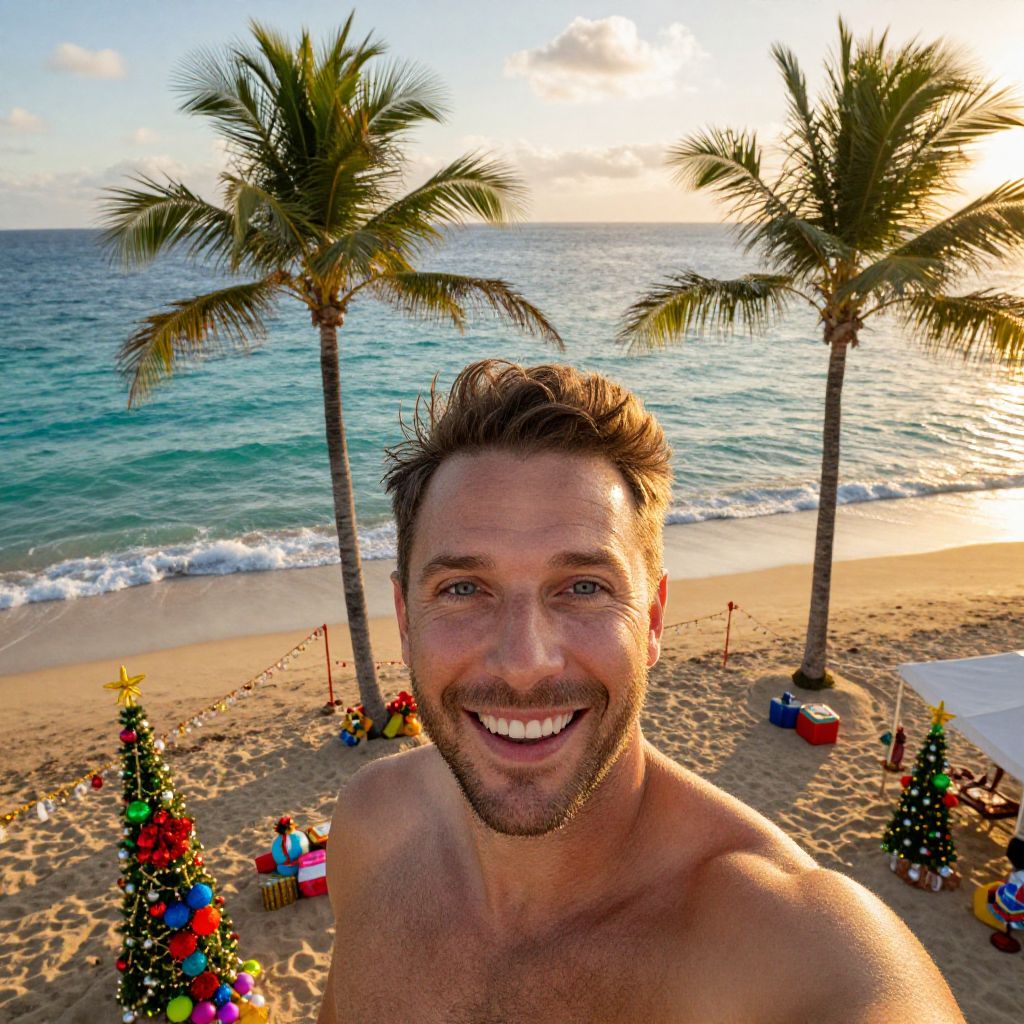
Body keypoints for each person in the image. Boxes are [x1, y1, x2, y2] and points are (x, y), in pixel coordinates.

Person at [317, 360, 964, 1023]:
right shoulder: (372, 826)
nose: (524, 664)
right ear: (403, 618)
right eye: (462, 589)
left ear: (652, 620)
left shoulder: (802, 958)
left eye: (583, 587)